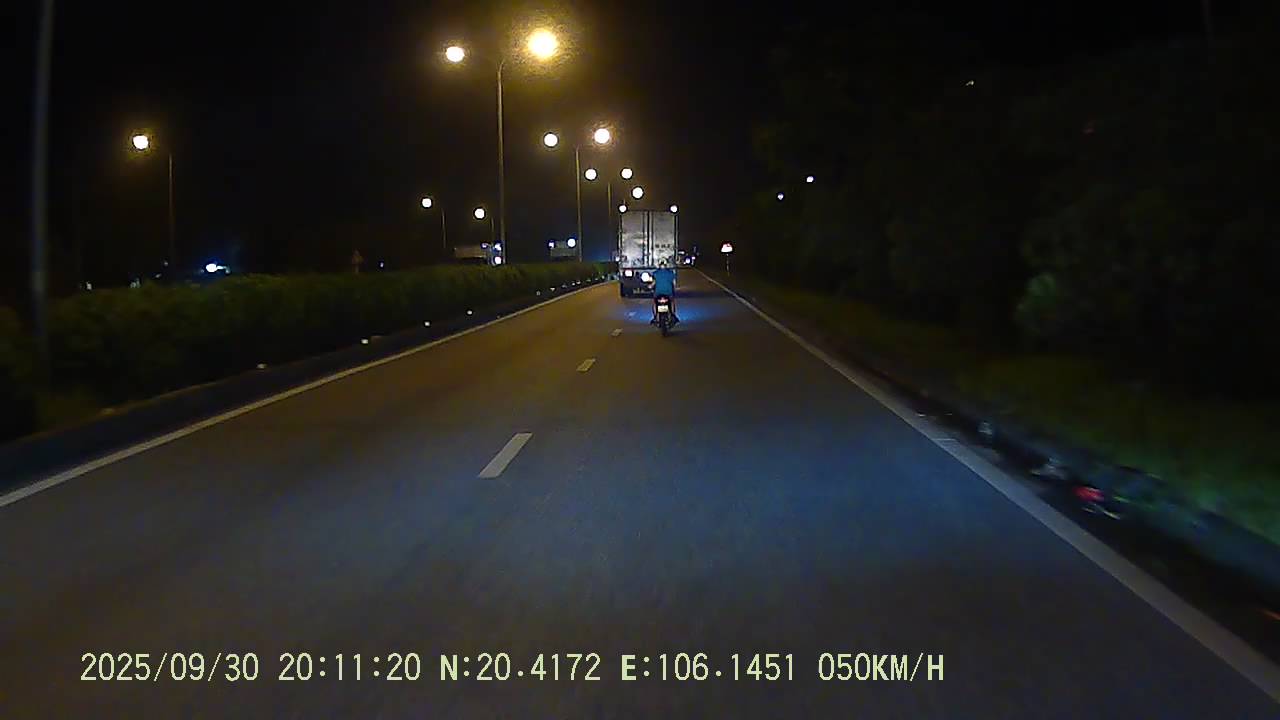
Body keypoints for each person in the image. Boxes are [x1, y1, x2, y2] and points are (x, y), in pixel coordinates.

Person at [650, 260, 679, 325]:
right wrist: (674, 289)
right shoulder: (670, 273)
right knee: (671, 302)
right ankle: (673, 315)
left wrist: (650, 286)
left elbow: (653, 283)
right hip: (668, 293)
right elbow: (674, 284)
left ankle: (655, 317)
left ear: (659, 265)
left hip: (658, 293)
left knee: (655, 303)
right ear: (666, 265)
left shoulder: (656, 273)